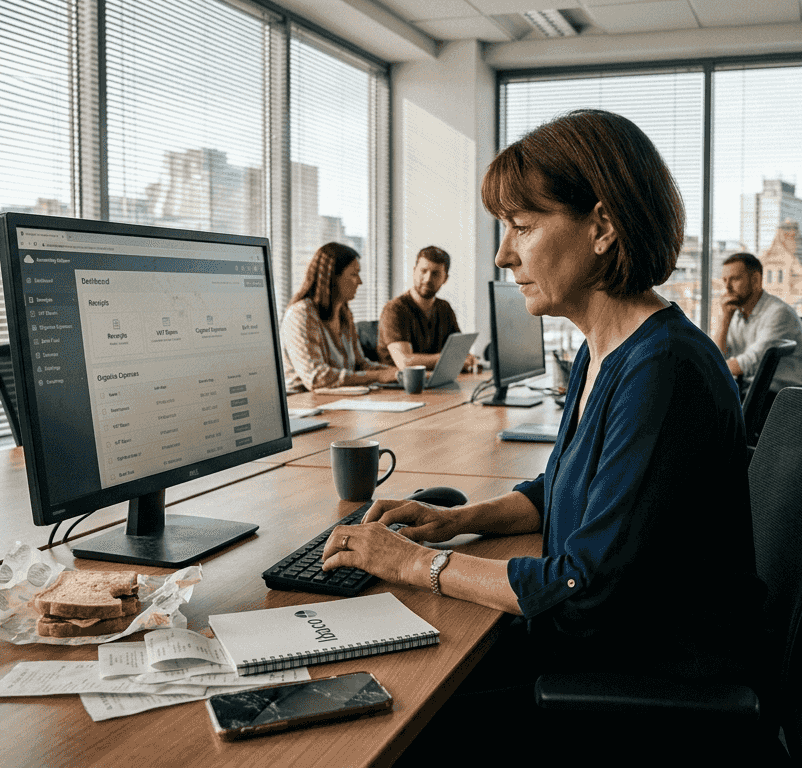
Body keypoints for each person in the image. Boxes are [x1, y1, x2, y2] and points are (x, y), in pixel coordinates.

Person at [318, 109, 763, 757]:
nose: (503, 254)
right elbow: (559, 488)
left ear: (603, 227)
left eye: (522, 227)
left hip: (635, 679)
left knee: (377, 717)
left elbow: (585, 590)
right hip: (602, 650)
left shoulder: (662, 371)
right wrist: (453, 519)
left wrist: (416, 563)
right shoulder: (604, 349)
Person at [280, 242, 397, 393]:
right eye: (354, 274)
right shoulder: (301, 314)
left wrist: (399, 373)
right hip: (304, 402)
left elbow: (360, 364)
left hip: (341, 399)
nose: (359, 281)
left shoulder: (344, 314)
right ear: (332, 278)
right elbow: (316, 378)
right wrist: (379, 376)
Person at [714, 252, 802, 403]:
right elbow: (719, 356)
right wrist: (725, 320)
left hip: (785, 397)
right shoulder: (736, 312)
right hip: (754, 390)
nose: (727, 287)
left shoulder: (778, 313)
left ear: (755, 280)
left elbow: (749, 364)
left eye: (734, 279)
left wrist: (709, 368)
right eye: (725, 280)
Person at [376, 245, 475, 371]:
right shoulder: (394, 309)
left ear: (445, 279)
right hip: (398, 386)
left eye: (435, 274)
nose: (428, 279)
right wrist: (450, 359)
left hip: (433, 382)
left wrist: (467, 358)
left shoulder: (444, 308)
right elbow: (405, 362)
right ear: (414, 271)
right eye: (423, 271)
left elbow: (459, 351)